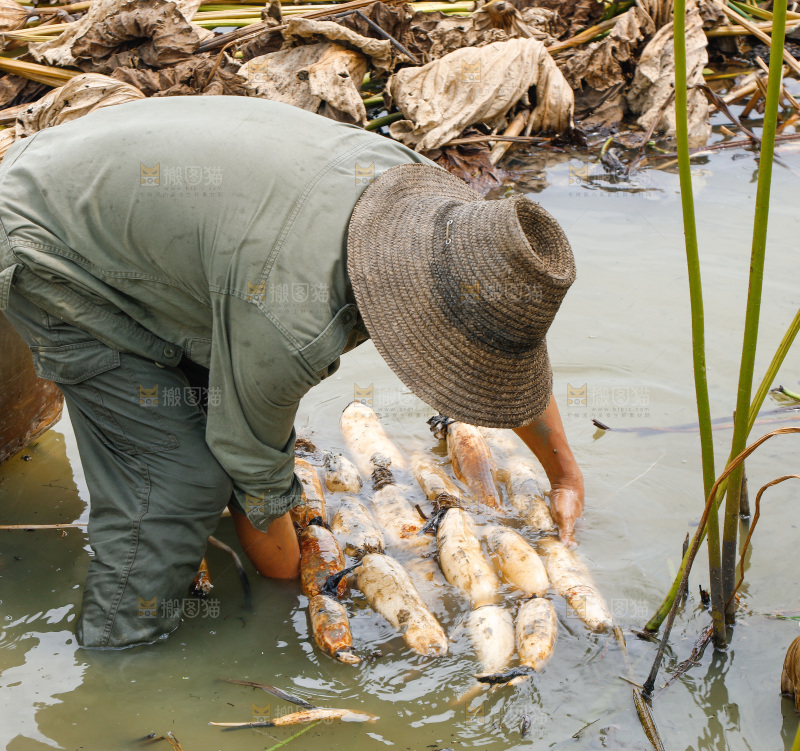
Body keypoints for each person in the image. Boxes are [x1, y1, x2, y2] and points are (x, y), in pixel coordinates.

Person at [0, 95, 583, 649]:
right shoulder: (295, 320)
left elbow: (503, 348)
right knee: (178, 484)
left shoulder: (441, 212)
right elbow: (252, 477)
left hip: (93, 174)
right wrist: (305, 587)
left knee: (206, 409)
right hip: (42, 234)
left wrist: (564, 475)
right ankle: (117, 655)